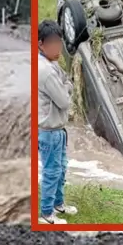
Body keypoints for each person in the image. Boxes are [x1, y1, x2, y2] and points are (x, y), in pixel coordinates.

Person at [36, 20, 77, 225]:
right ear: (41, 44)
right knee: (52, 171)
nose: (57, 47)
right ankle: (46, 213)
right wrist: (65, 88)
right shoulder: (45, 71)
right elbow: (64, 100)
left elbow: (67, 82)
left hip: (57, 130)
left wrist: (65, 87)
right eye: (52, 43)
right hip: (49, 131)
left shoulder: (51, 65)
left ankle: (58, 204)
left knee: (60, 168)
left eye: (59, 42)